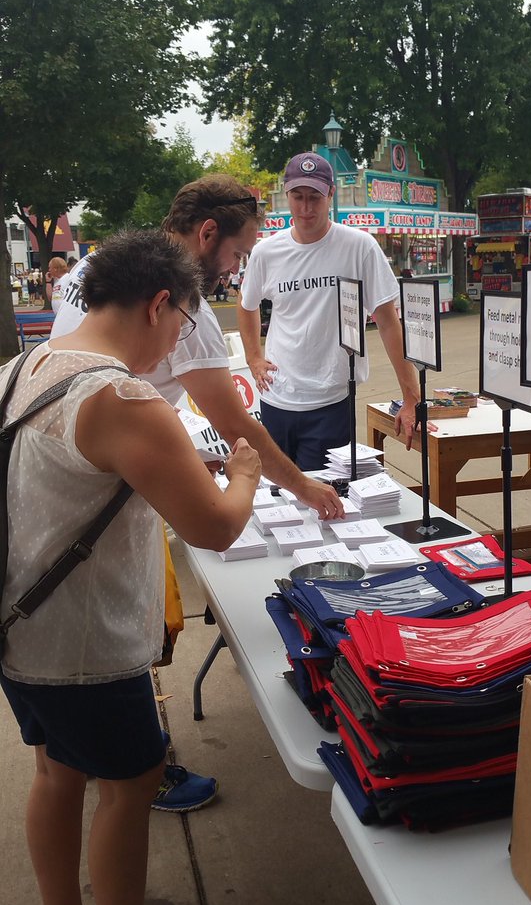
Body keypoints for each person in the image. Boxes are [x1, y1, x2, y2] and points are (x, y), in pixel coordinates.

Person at [0, 230, 260, 905]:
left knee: (54, 770)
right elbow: (215, 525)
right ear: (158, 305)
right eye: (182, 328)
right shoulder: (121, 395)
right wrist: (242, 470)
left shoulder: (20, 367)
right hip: (85, 643)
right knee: (131, 781)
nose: (177, 345)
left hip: (18, 631)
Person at [52, 176, 343, 812]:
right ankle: (140, 766)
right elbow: (232, 440)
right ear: (206, 236)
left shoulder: (96, 269)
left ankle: (117, 764)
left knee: (57, 760)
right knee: (126, 665)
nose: (236, 273)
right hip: (104, 519)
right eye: (237, 256)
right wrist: (292, 484)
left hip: (59, 506)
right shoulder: (177, 320)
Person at [238, 151, 421, 471]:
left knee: (327, 504)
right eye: (298, 197)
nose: (306, 208)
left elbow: (389, 322)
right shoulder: (267, 252)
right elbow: (246, 304)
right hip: (276, 400)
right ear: (286, 194)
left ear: (331, 194)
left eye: (315, 197)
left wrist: (411, 396)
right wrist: (253, 356)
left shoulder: (359, 247)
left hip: (330, 402)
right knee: (278, 502)